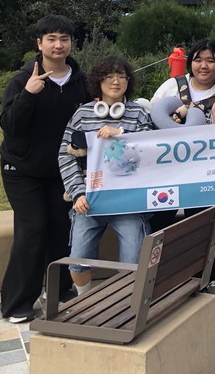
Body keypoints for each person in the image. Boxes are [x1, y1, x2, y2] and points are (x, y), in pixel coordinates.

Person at [0, 15, 90, 323]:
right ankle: (17, 303)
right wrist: (28, 94)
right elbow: (9, 126)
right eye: (51, 39)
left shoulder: (80, 81)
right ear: (39, 44)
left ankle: (58, 289)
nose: (58, 45)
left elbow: (87, 122)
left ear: (71, 43)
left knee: (62, 227)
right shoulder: (23, 79)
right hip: (21, 168)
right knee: (33, 228)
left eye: (64, 39)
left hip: (61, 169)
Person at [148, 38, 215, 296]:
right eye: (198, 59)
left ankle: (210, 274)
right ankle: (157, 276)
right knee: (159, 220)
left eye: (211, 60)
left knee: (204, 219)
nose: (204, 66)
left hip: (203, 169)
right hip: (166, 168)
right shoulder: (172, 86)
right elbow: (151, 118)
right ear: (191, 62)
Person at [59, 56, 153, 294]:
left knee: (133, 262)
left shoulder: (139, 113)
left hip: (128, 202)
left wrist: (121, 134)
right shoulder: (82, 114)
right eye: (109, 76)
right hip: (89, 202)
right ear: (98, 81)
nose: (115, 81)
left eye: (121, 76)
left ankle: (127, 304)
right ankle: (85, 301)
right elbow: (65, 155)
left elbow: (150, 152)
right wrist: (77, 193)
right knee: (78, 261)